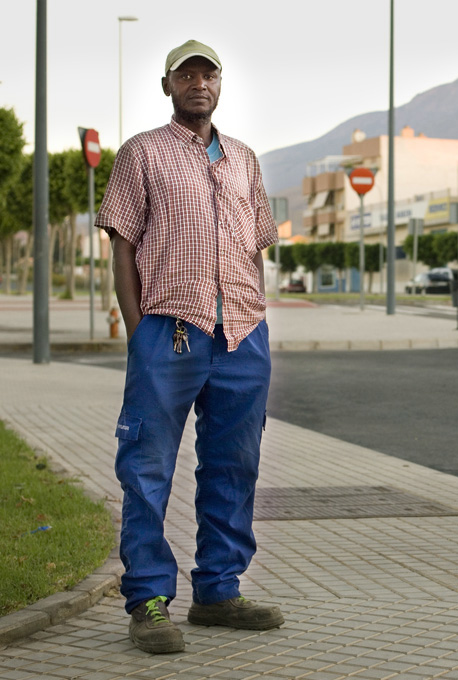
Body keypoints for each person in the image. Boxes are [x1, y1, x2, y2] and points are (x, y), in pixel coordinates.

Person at [95, 39, 283, 654]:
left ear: (221, 85)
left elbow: (255, 245)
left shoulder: (245, 159)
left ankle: (219, 590)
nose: (198, 82)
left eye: (209, 73)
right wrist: (134, 326)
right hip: (168, 329)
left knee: (235, 462)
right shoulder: (140, 153)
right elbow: (122, 242)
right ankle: (148, 599)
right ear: (168, 86)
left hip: (242, 334)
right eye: (186, 74)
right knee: (147, 465)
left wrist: (255, 317)